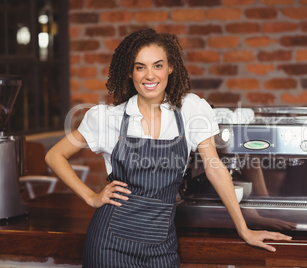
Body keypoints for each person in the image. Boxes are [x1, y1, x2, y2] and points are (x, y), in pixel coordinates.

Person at [45, 28, 292, 267]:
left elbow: (215, 168)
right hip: (109, 244)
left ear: (170, 67)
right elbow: (55, 155)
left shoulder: (190, 110)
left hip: (161, 246)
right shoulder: (107, 118)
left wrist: (244, 229)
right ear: (130, 73)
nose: (149, 75)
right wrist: (91, 197)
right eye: (140, 67)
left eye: (158, 65)